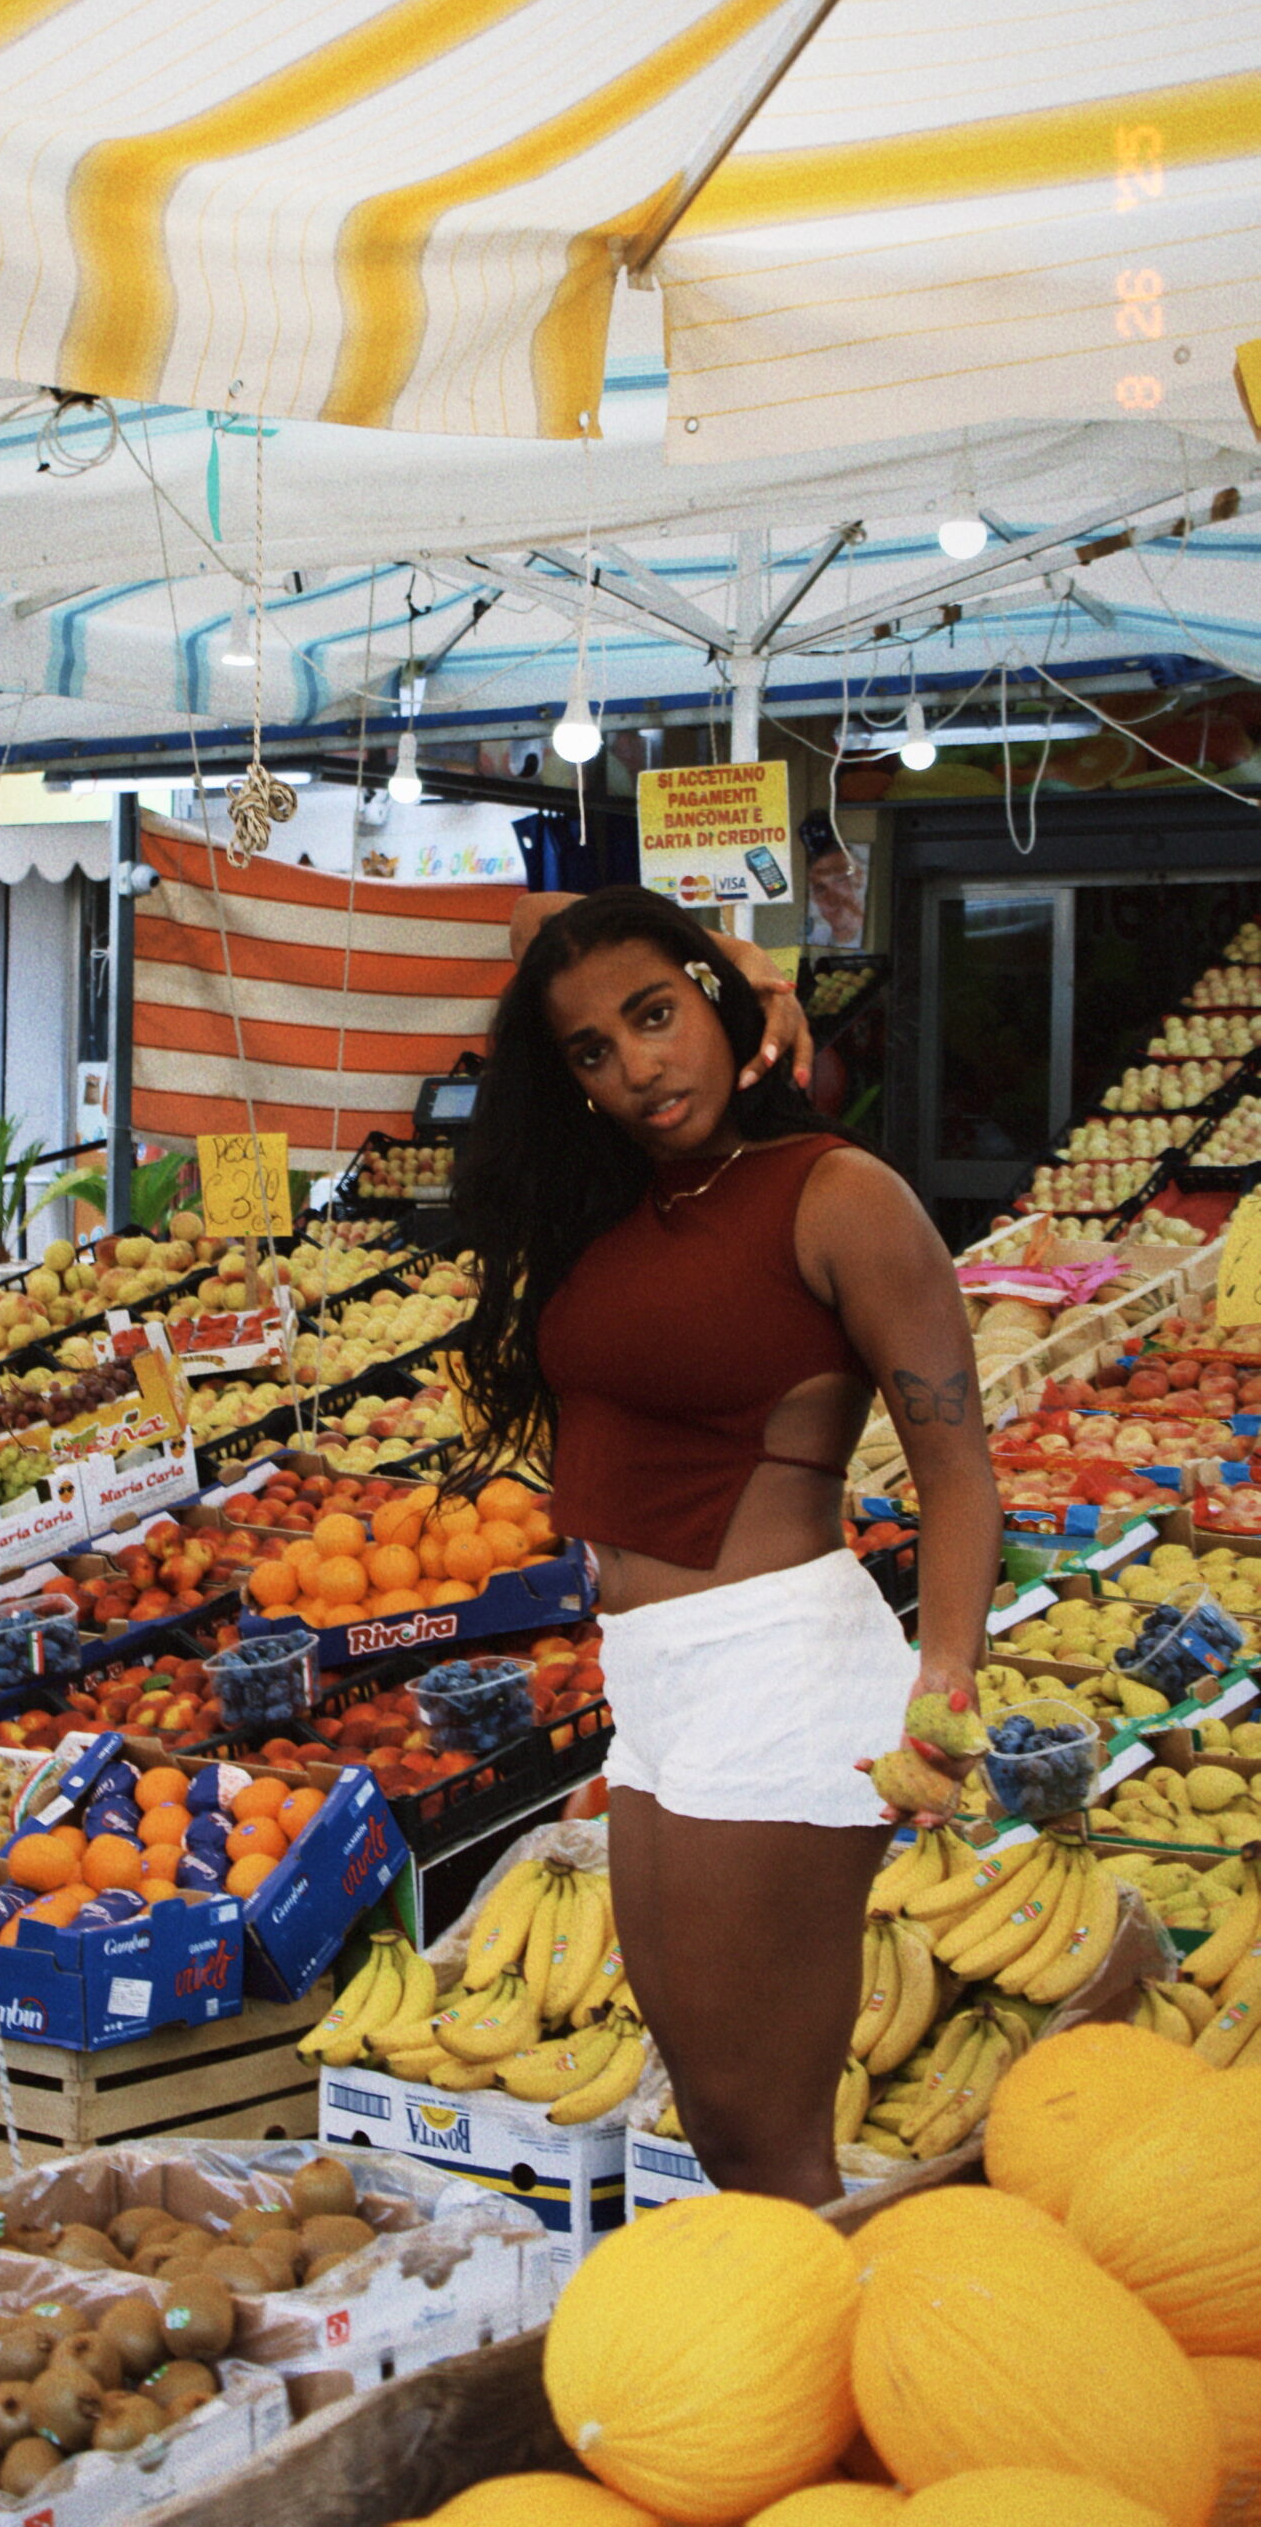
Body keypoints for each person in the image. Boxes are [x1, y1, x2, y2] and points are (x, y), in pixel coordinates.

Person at [453, 886, 999, 2206]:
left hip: (781, 1673)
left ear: (714, 1002)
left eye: (657, 1016)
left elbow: (958, 1477)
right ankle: (806, 2328)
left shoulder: (837, 1196)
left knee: (764, 2138)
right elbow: (543, 935)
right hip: (652, 1677)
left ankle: (854, 2333)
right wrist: (728, 966)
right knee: (713, 2119)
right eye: (592, 1050)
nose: (636, 1068)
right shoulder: (624, 1203)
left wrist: (945, 1680)